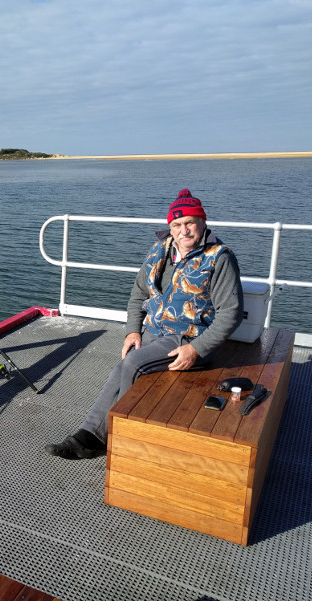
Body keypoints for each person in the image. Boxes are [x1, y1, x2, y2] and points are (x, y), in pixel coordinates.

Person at [44, 188, 244, 459]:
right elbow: (139, 294)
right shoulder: (159, 250)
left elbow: (230, 313)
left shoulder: (219, 257)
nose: (183, 231)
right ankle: (90, 434)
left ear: (203, 223)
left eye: (189, 223)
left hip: (188, 338)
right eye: (176, 225)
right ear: (170, 229)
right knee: (121, 367)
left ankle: (121, 438)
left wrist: (196, 350)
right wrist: (132, 331)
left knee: (134, 366)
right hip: (155, 331)